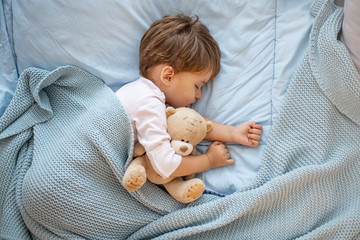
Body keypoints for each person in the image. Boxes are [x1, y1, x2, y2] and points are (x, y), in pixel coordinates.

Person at [115, 14, 262, 181]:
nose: (199, 95)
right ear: (168, 76)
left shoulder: (142, 94)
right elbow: (165, 165)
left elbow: (189, 124)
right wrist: (208, 160)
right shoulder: (149, 103)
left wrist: (233, 133)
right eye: (197, 86)